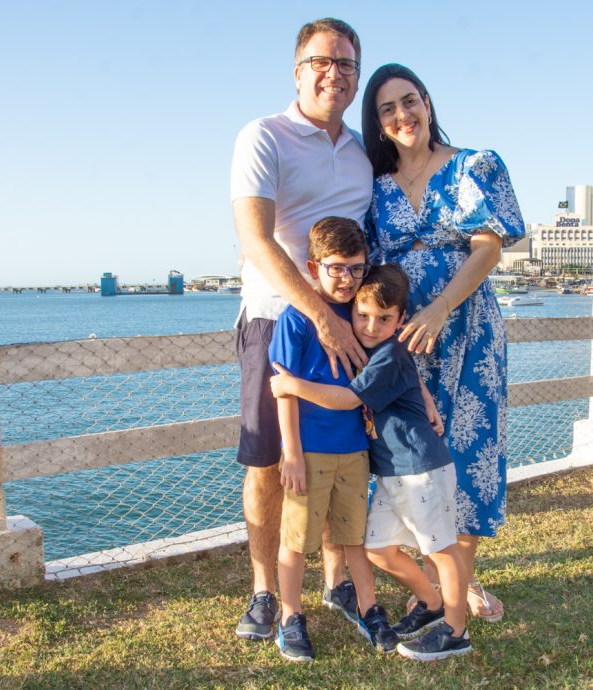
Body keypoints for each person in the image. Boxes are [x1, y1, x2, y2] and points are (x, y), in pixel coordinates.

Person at [360, 63, 525, 621]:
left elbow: (488, 246)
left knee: (467, 453)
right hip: (404, 341)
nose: (403, 115)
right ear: (378, 124)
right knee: (411, 455)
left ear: (427, 104)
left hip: (466, 330)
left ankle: (460, 585)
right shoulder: (375, 186)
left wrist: (439, 307)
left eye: (411, 102)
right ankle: (438, 575)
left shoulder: (474, 165)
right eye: (388, 109)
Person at [229, 17, 371, 640]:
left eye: (345, 64)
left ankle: (339, 580)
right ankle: (265, 591)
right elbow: (255, 239)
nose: (332, 73)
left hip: (351, 324)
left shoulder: (366, 150)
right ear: (297, 69)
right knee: (267, 461)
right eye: (321, 60)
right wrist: (317, 315)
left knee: (345, 452)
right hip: (276, 319)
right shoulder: (265, 136)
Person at [271, 264, 474, 661]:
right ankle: (431, 604)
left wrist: (290, 385)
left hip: (420, 469)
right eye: (362, 316)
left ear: (401, 320)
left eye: (384, 319)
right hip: (392, 473)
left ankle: (456, 630)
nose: (370, 325)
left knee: (441, 549)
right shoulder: (371, 348)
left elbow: (348, 399)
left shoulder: (390, 355)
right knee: (378, 548)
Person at [268, 218, 398, 661]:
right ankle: (290, 617)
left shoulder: (362, 316)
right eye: (337, 268)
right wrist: (292, 453)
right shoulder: (297, 320)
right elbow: (283, 389)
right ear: (312, 266)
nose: (347, 279)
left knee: (353, 538)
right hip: (311, 452)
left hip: (355, 452)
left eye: (357, 268)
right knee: (297, 542)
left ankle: (368, 608)